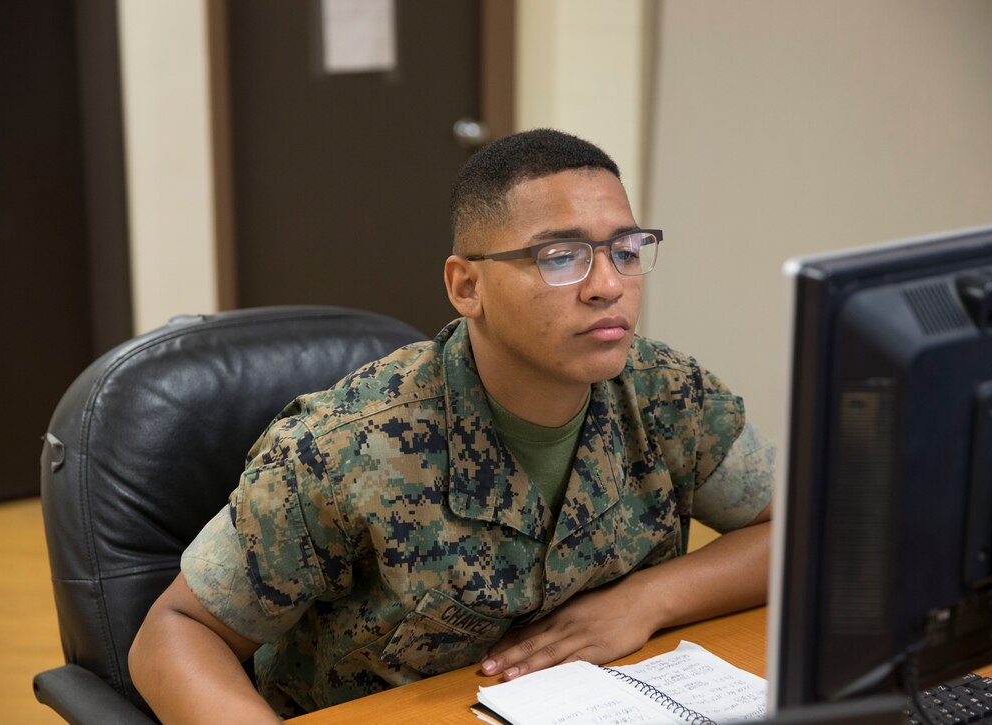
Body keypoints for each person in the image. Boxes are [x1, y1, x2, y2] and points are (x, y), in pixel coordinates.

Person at [129, 128, 775, 723]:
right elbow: (179, 628)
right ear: (467, 286)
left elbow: (796, 531)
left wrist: (647, 599)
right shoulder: (347, 446)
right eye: (560, 256)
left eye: (626, 251)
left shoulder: (665, 391)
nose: (608, 284)